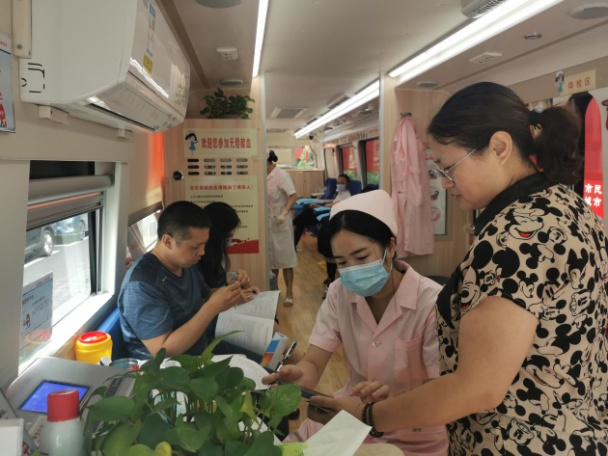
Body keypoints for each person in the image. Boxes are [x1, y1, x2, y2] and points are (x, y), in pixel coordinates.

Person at [311, 82, 608, 454]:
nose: (445, 182)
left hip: (520, 441)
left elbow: (478, 387)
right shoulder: (571, 206)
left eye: (449, 167)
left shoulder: (513, 239)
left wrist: (367, 414)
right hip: (579, 427)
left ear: (499, 147)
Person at [264, 190, 449, 455]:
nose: (352, 270)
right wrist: (300, 375)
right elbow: (315, 362)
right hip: (348, 417)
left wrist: (388, 401)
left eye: (361, 258)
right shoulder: (339, 293)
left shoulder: (433, 303)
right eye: (342, 262)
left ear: (390, 247)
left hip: (413, 429)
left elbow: (440, 390)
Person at [118, 200, 253, 359]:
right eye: (195, 247)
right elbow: (163, 351)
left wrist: (233, 293)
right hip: (174, 368)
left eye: (204, 244)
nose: (202, 252)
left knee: (268, 365)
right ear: (168, 241)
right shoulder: (142, 285)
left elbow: (205, 295)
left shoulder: (185, 263)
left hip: (202, 348)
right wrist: (212, 307)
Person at [267, 150, 298, 306]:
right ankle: (275, 290)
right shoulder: (262, 176)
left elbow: (293, 196)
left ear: (267, 160)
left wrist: (284, 213)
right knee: (272, 260)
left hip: (281, 220)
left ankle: (289, 293)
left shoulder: (281, 175)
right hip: (267, 220)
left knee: (286, 260)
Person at [293, 173, 352, 247]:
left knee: (306, 213)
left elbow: (335, 205)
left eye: (342, 183)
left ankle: (293, 224)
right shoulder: (340, 193)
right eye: (338, 183)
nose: (339, 185)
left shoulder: (347, 195)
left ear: (347, 184)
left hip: (331, 214)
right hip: (327, 210)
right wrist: (320, 206)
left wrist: (320, 206)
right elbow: (332, 203)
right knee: (304, 217)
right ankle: (293, 240)